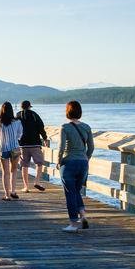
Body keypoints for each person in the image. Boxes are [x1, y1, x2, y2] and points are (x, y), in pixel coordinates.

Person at [57, 100, 95, 233]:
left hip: (69, 163)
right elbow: (91, 148)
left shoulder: (64, 127)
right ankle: (83, 215)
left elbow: (61, 147)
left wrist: (58, 160)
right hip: (83, 163)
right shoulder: (87, 127)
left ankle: (73, 224)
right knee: (76, 191)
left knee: (70, 193)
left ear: (67, 112)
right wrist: (86, 159)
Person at [16, 100, 49, 193]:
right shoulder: (34, 115)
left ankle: (26, 187)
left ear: (21, 107)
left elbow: (14, 128)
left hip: (22, 144)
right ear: (29, 107)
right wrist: (45, 138)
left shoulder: (18, 116)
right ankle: (37, 181)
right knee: (39, 163)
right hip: (35, 143)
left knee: (24, 165)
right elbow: (40, 127)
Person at [0, 102, 23, 200]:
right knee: (14, 171)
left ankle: (7, 195)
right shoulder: (17, 122)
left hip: (3, 148)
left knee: (5, 172)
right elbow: (20, 134)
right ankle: (13, 191)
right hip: (14, 147)